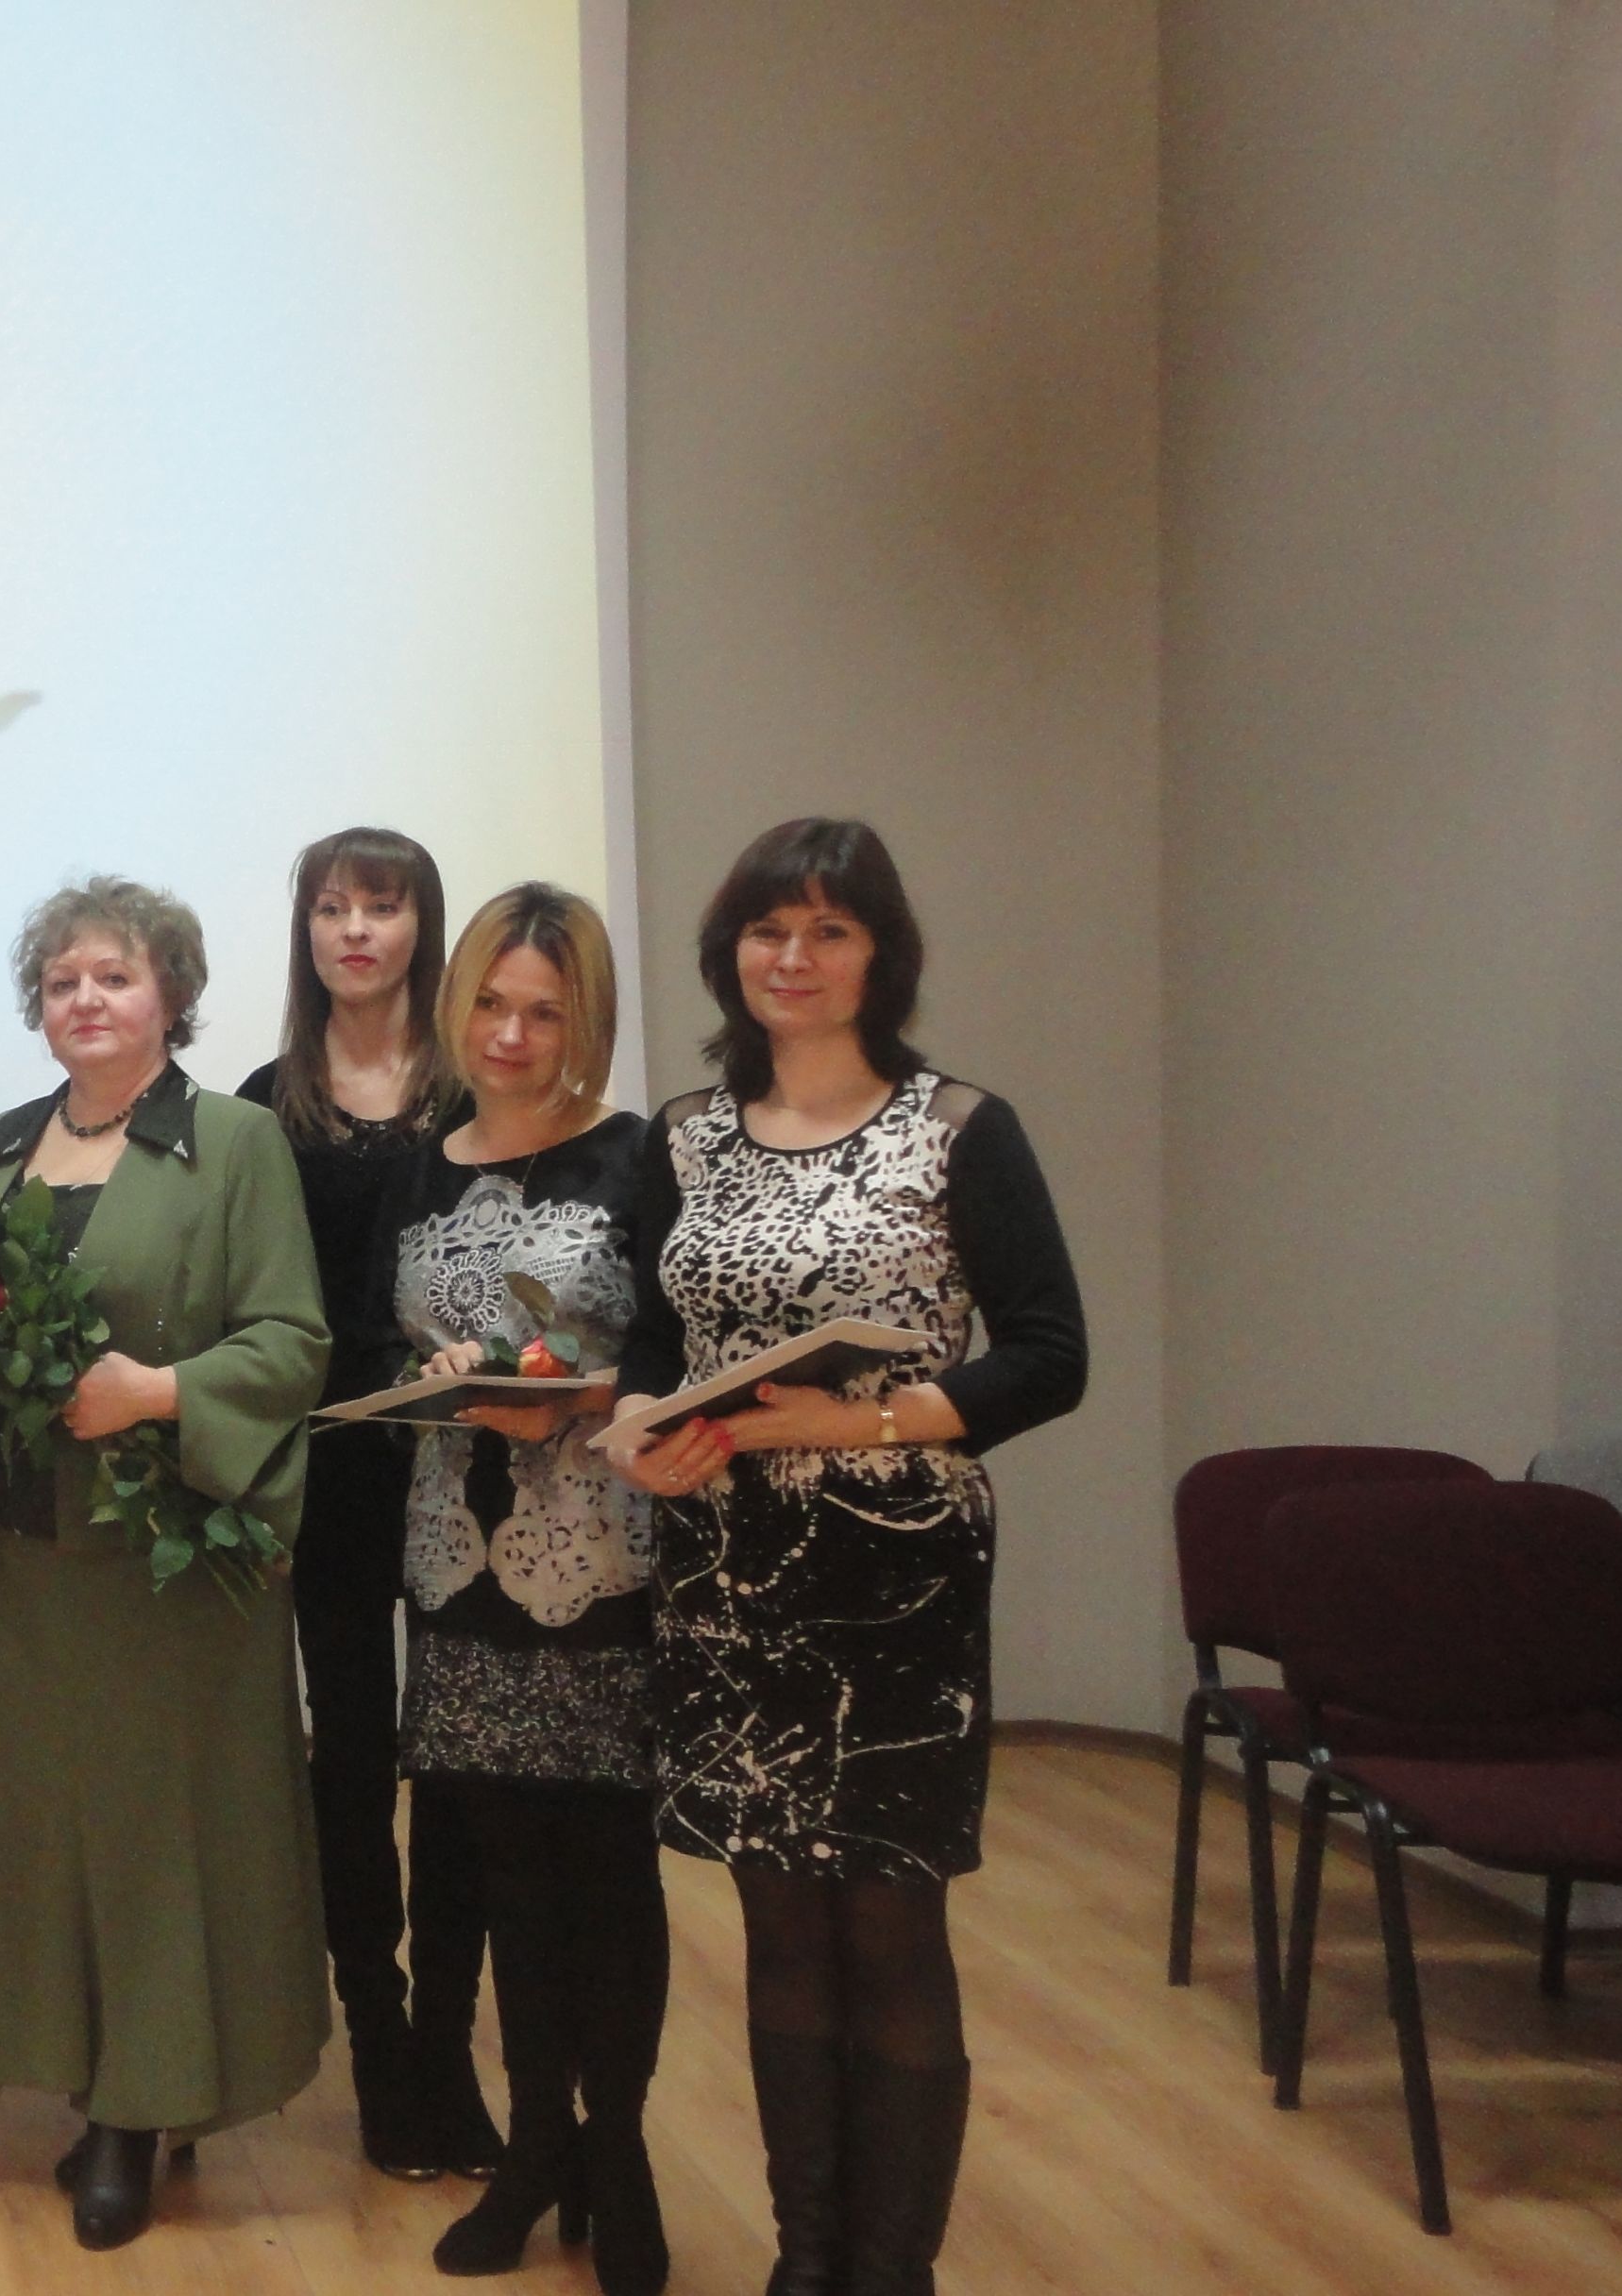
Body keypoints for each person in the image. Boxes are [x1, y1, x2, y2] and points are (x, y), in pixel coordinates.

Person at [611, 819, 1085, 2296]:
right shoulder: (683, 1137)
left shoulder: (959, 1127)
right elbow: (652, 1348)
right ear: (730, 952)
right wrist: (636, 1432)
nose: (795, 957)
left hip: (896, 1578)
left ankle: (894, 2271)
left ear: (883, 956)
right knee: (778, 1922)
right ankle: (807, 2259)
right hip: (725, 1571)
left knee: (887, 1919)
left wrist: (862, 1418)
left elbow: (1050, 1356)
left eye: (831, 930)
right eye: (769, 929)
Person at [0, 876, 331, 2250]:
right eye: (62, 981)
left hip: (172, 1563)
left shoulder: (235, 1142)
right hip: (37, 1567)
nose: (86, 1000)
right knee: (58, 1834)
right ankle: (94, 2079)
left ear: (172, 993)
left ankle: (141, 2108)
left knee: (164, 1837)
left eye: (114, 975)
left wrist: (157, 1393)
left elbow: (292, 1342)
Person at [380, 886, 665, 2294]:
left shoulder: (638, 1157)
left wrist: (583, 1397)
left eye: (544, 1011)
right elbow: (395, 1340)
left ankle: (622, 2155)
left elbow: (680, 1355)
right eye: (490, 1003)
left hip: (597, 1561)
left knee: (606, 1879)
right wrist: (435, 1378)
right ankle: (541, 2143)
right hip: (453, 1564)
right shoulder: (419, 1168)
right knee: (504, 1882)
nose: (509, 1034)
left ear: (584, 1020)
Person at [234, 826, 502, 2181]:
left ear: (421, 928)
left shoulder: (478, 1088)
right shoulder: (263, 1104)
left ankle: (449, 2049)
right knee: (347, 1760)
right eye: (332, 908)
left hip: (465, 1470)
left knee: (452, 1765)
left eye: (381, 908)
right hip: (326, 1473)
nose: (354, 931)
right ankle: (381, 2045)